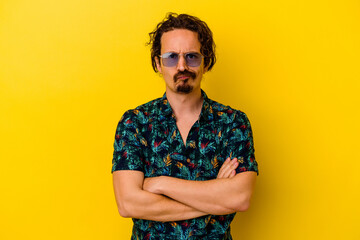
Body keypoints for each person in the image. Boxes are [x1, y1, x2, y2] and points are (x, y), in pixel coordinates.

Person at [111, 12, 259, 240]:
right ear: (157, 64)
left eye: (192, 57)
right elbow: (129, 204)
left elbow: (240, 198)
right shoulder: (135, 123)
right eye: (171, 57)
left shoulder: (233, 123)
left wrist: (160, 184)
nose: (182, 66)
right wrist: (215, 199)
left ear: (206, 62)